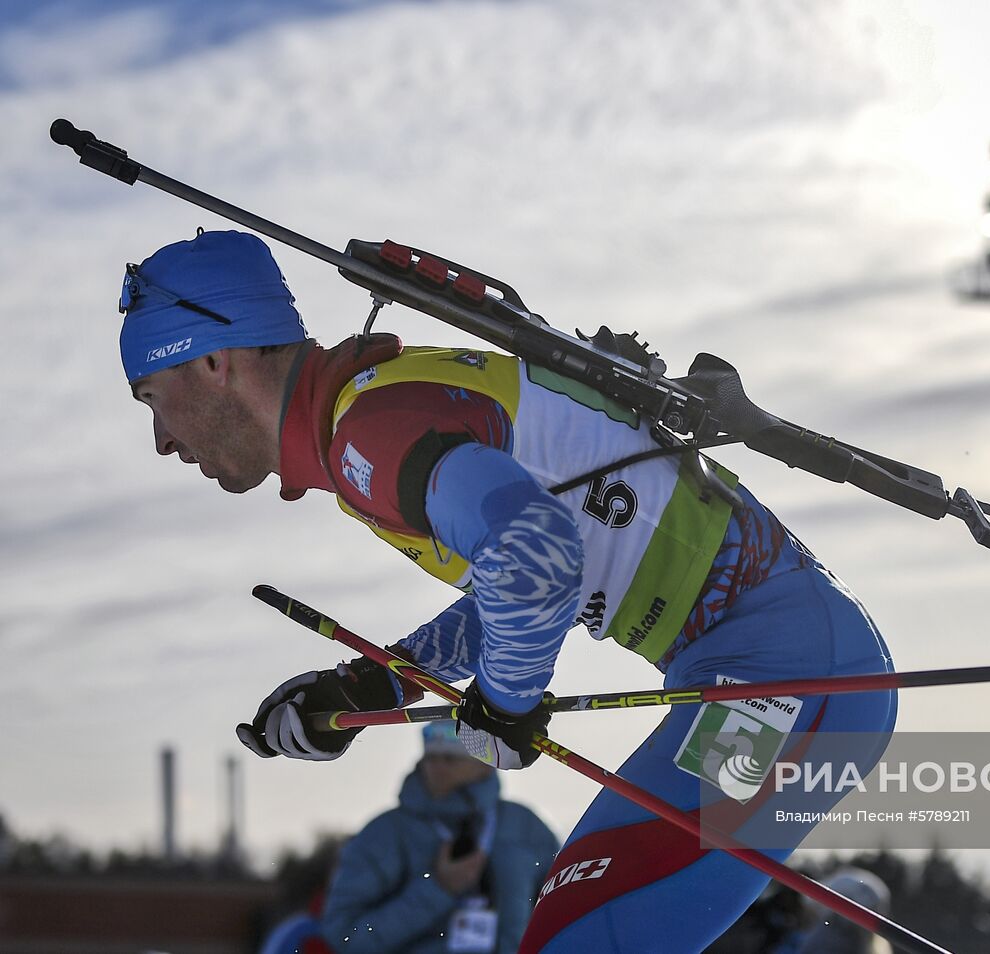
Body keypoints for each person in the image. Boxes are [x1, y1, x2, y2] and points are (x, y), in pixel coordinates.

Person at [119, 229, 898, 952]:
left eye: (151, 395)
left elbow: (535, 556)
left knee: (581, 939)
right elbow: (515, 576)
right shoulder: (371, 411)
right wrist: (373, 683)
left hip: (786, 686)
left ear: (212, 360)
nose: (160, 439)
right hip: (776, 671)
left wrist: (507, 703)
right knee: (577, 930)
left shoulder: (370, 430)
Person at [316, 721, 558, 953]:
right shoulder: (385, 834)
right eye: (431, 758)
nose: (437, 768)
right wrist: (438, 889)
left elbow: (562, 910)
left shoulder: (525, 827)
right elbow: (345, 936)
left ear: (485, 764)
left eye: (451, 758)